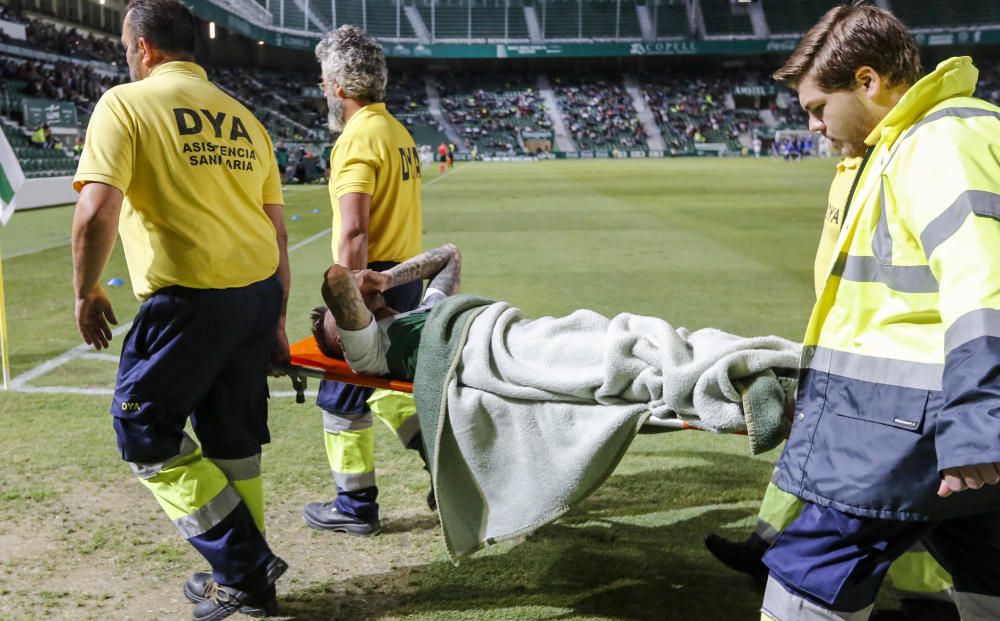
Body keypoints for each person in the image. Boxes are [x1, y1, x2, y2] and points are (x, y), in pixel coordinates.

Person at [758, 5, 1000, 621]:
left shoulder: (938, 140)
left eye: (817, 107)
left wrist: (978, 422)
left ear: (868, 82)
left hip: (908, 426)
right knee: (986, 565)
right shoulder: (907, 145)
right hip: (939, 420)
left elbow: (984, 284)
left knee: (811, 571)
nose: (812, 125)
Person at [70, 1, 290, 618]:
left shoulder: (125, 103)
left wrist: (86, 290)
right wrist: (275, 320)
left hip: (189, 301)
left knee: (143, 431)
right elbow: (275, 230)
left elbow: (95, 210)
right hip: (256, 294)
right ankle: (250, 583)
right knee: (234, 439)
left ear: (143, 48)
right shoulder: (245, 118)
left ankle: (246, 565)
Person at [705, 143, 959, 621]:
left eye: (818, 106)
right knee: (819, 459)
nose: (812, 125)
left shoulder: (910, 159)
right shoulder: (851, 167)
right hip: (841, 348)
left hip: (890, 363)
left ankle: (927, 600)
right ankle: (763, 545)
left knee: (900, 489)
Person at [304, 24, 428, 538]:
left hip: (370, 283)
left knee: (340, 396)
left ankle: (355, 507)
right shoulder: (396, 132)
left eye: (322, 81)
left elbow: (354, 228)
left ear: (336, 86)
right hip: (402, 278)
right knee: (387, 389)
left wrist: (348, 302)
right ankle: (450, 470)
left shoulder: (356, 139)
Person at [312, 244, 461, 380]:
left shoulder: (427, 310)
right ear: (345, 342)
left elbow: (450, 255)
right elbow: (337, 279)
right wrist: (357, 280)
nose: (356, 295)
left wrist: (386, 279)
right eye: (338, 314)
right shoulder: (370, 356)